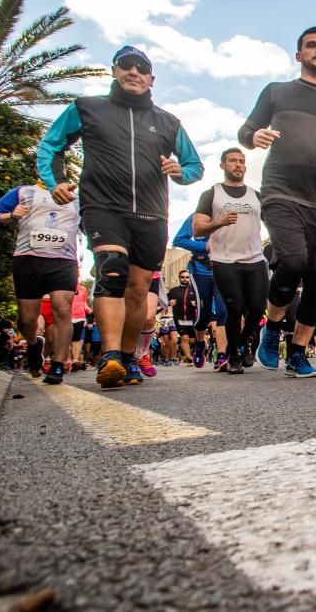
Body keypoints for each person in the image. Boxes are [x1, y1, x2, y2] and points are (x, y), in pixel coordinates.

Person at [36, 45, 203, 387]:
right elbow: (51, 145)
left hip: (153, 213)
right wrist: (55, 182)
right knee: (112, 268)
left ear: (151, 78)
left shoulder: (168, 122)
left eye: (141, 68)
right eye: (126, 66)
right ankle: (110, 356)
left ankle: (127, 357)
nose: (133, 72)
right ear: (114, 70)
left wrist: (179, 171)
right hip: (103, 206)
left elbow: (194, 165)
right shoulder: (87, 108)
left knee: (139, 289)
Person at [239, 25, 316, 378]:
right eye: (311, 46)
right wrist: (255, 135)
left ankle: (297, 353)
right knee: (292, 262)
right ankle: (273, 328)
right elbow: (245, 132)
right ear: (299, 55)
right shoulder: (277, 92)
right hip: (281, 190)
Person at [0, 181, 80, 383]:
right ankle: (34, 344)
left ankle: (58, 365)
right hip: (28, 261)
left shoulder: (78, 198)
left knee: (63, 309)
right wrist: (10, 215)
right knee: (27, 319)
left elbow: (94, 225)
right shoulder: (24, 192)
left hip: (64, 262)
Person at [193, 147, 269, 375]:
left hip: (255, 258)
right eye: (233, 161)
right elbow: (197, 228)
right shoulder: (212, 194)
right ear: (223, 165)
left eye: (241, 161)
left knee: (257, 308)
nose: (238, 165)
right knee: (234, 308)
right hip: (224, 260)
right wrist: (220, 222)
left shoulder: (256, 196)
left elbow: (273, 222)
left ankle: (244, 342)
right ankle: (234, 355)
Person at [173, 213, 229, 369]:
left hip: (224, 268)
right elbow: (178, 240)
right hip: (201, 270)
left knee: (222, 311)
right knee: (203, 314)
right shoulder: (196, 217)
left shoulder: (231, 215)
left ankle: (222, 354)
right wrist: (203, 247)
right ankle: (199, 343)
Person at [167, 270, 197, 363]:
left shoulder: (194, 291)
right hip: (179, 317)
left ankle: (185, 348)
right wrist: (169, 302)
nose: (185, 279)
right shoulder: (173, 291)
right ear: (179, 278)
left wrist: (196, 304)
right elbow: (164, 301)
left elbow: (202, 303)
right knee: (185, 338)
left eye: (187, 277)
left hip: (192, 318)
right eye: (182, 277)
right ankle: (189, 358)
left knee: (192, 340)